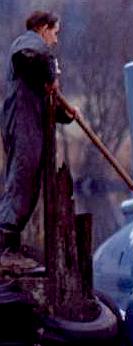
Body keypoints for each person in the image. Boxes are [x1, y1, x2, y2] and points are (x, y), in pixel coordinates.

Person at [0, 10, 74, 254]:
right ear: (43, 28)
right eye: (55, 33)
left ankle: (9, 238)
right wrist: (51, 72)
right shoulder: (29, 43)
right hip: (22, 125)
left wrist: (65, 114)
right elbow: (29, 57)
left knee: (30, 185)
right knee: (22, 179)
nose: (56, 40)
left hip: (31, 125)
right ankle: (4, 236)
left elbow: (42, 95)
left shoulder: (39, 59)